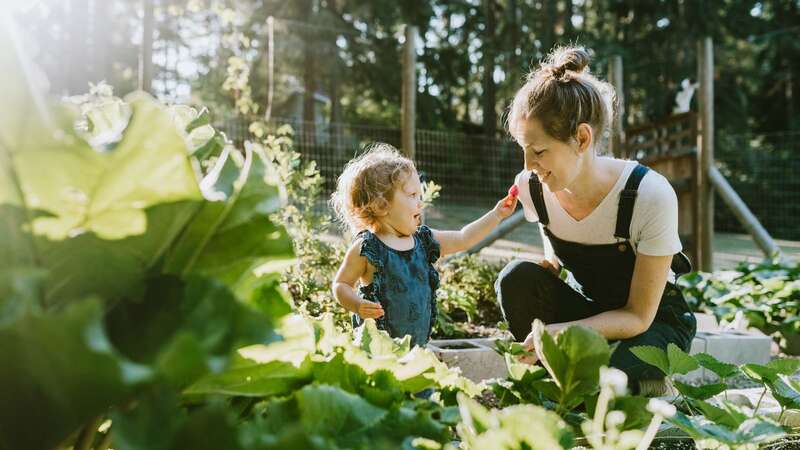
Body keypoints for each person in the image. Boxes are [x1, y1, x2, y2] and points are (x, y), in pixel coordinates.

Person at [496, 45, 696, 395]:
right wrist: (553, 262)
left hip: (651, 326)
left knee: (601, 374)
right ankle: (561, 383)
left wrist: (569, 332)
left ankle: (648, 388)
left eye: (539, 151)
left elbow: (637, 317)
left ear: (582, 138)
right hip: (592, 311)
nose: (528, 165)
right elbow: (554, 233)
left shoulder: (648, 194)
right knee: (516, 279)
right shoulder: (533, 187)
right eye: (523, 149)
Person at [331, 143, 518, 347]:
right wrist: (356, 304)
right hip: (378, 349)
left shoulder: (423, 240)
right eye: (412, 196)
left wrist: (497, 214)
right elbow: (341, 285)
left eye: (420, 196)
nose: (420, 203)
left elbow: (464, 238)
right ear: (381, 205)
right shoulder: (367, 248)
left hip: (417, 348)